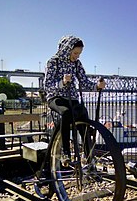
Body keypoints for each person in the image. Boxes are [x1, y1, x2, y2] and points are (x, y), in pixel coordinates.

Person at [44, 35, 105, 163]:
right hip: (56, 98)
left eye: (79, 53)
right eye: (75, 53)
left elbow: (84, 81)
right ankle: (66, 153)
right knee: (66, 113)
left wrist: (96, 86)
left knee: (83, 114)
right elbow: (47, 85)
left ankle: (88, 154)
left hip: (72, 98)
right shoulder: (53, 62)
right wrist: (62, 82)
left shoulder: (76, 64)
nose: (77, 56)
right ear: (67, 49)